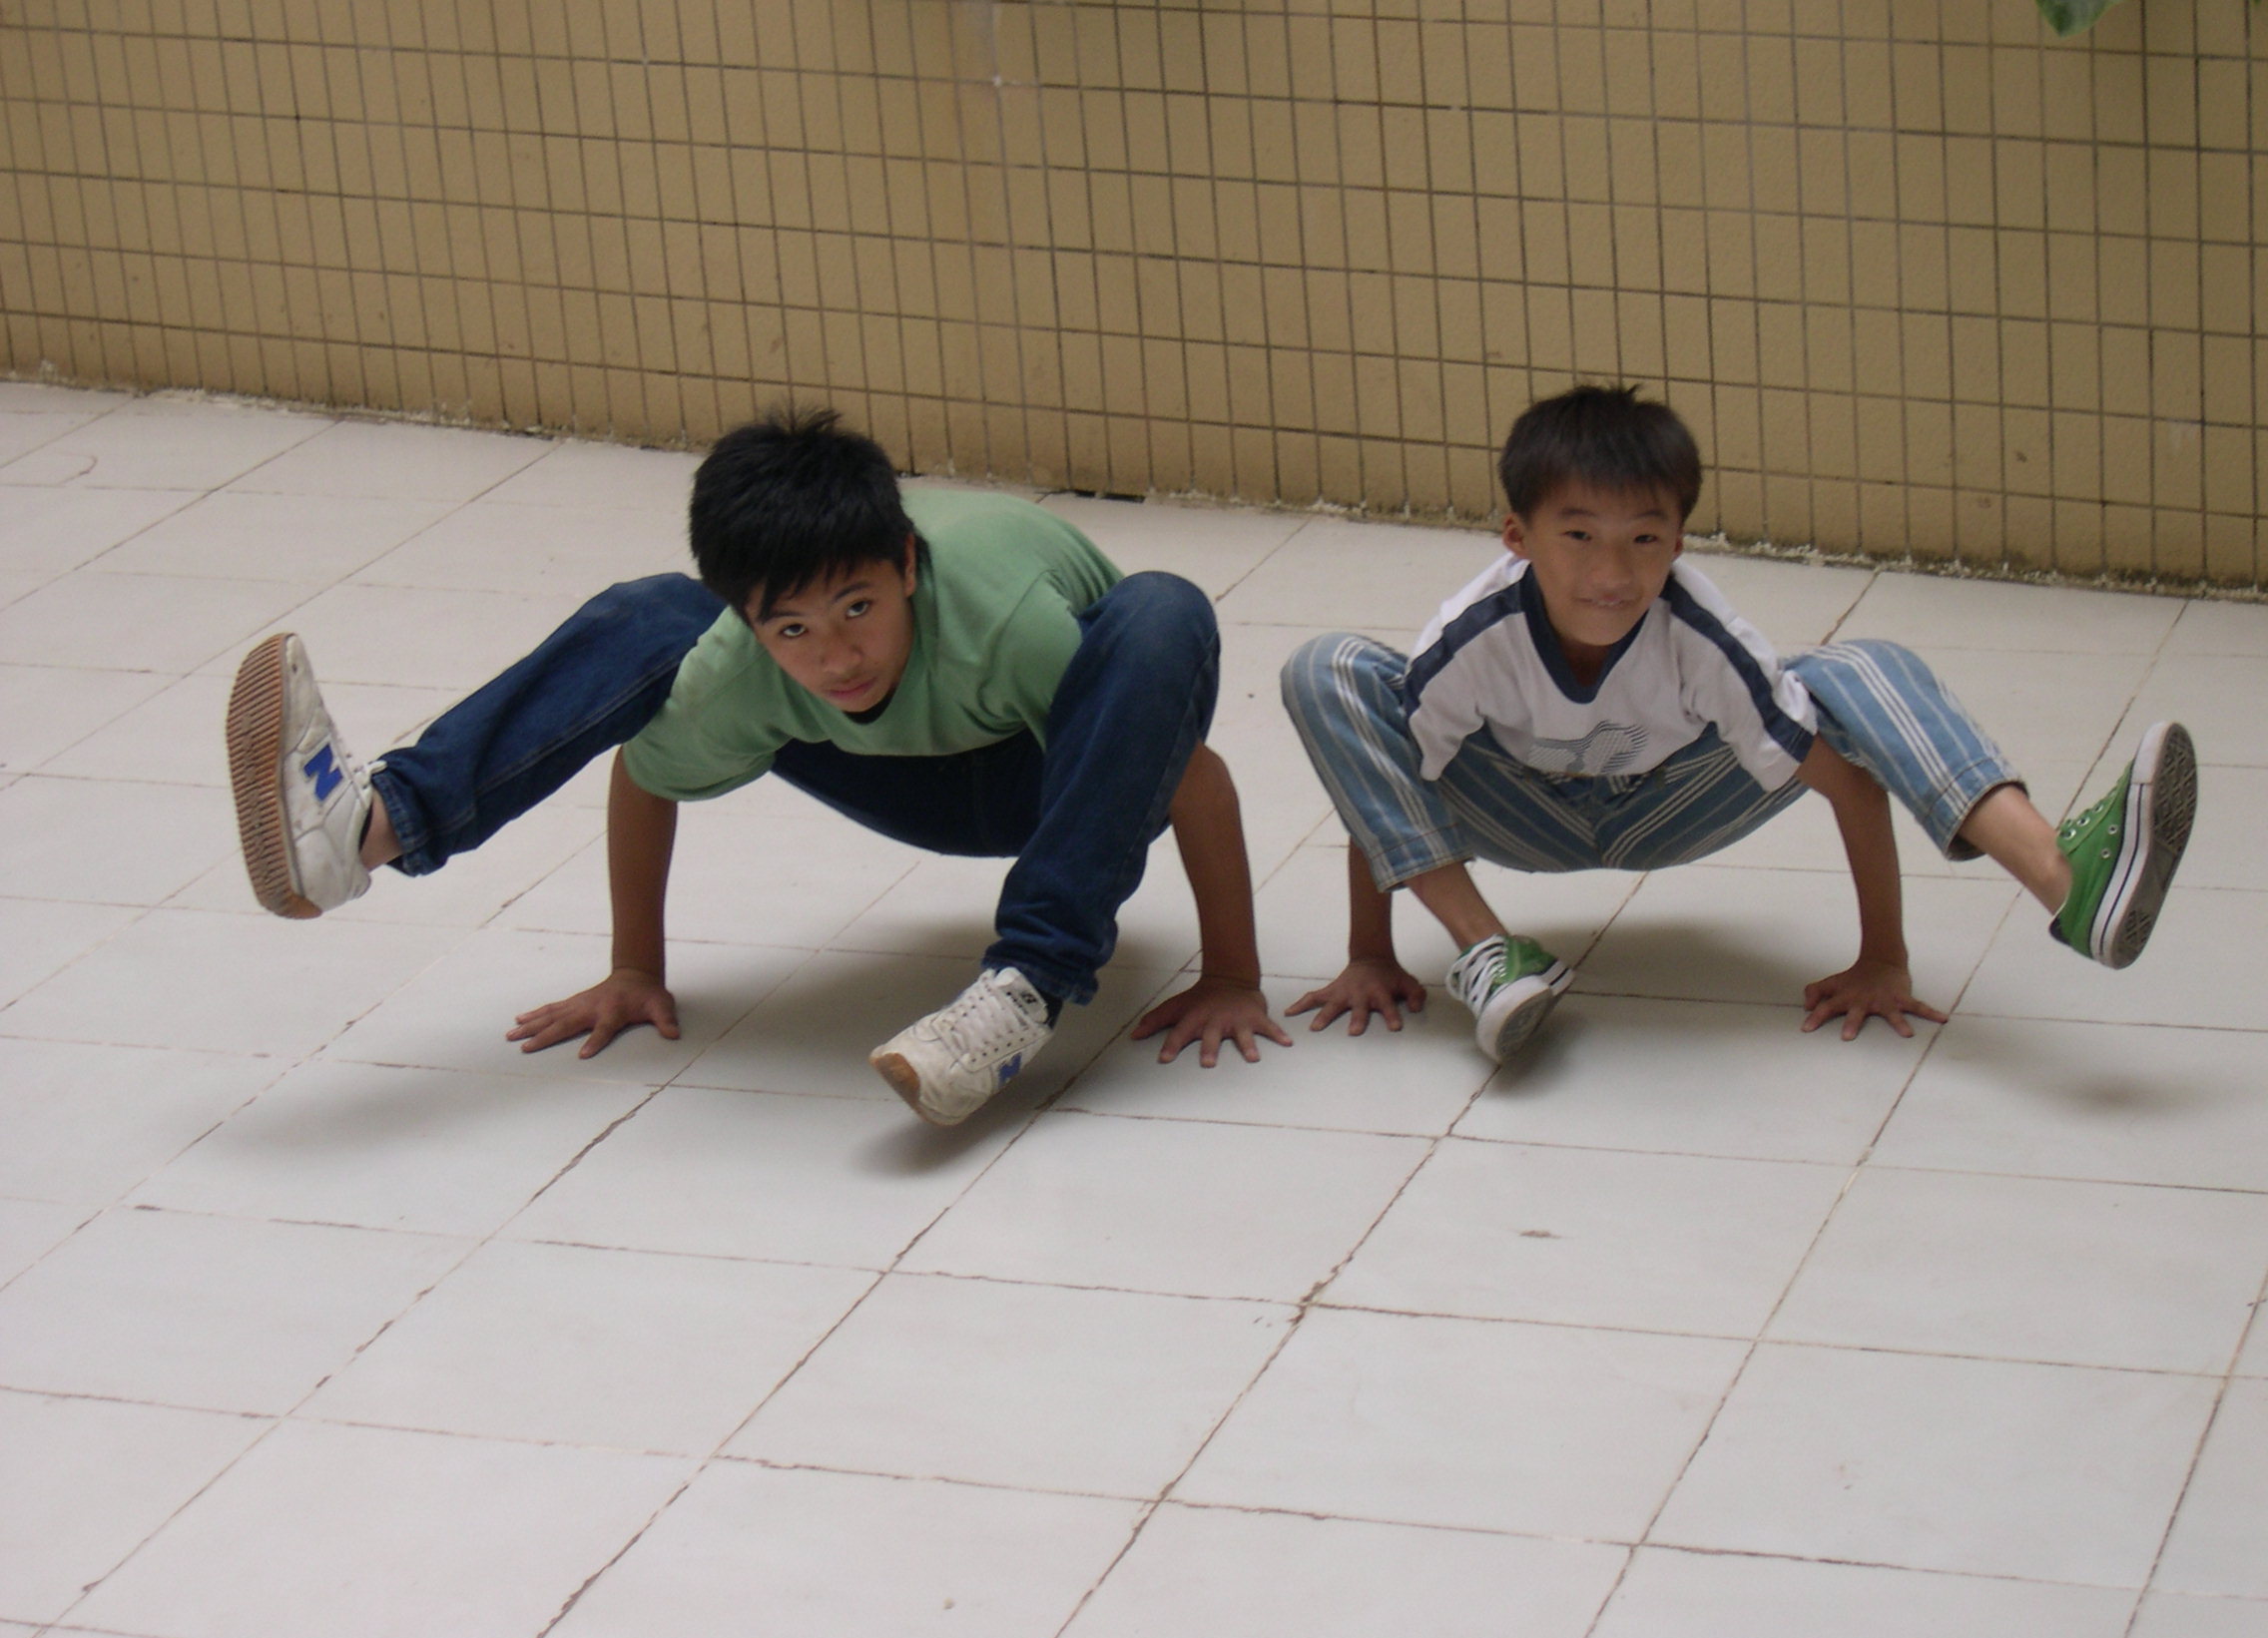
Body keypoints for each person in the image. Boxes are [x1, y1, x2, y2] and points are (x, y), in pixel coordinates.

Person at [225, 407, 1289, 1126]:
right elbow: (646, 770)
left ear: (906, 567)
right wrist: (635, 967)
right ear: (753, 623)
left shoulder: (1010, 622)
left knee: (1161, 610)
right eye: (793, 630)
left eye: (859, 608)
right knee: (652, 618)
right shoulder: (741, 666)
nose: (837, 657)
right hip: (912, 786)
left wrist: (1233, 975)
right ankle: (370, 830)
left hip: (1069, 779)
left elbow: (1189, 776)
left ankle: (1023, 990)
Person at [1279, 384, 2198, 1060]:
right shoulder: (1474, 636)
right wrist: (1370, 952)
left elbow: (1848, 785)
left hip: (1673, 807)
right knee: (1330, 669)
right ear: (1517, 538)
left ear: (1678, 541)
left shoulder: (1701, 635)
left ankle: (2066, 881)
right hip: (1516, 814)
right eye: (1578, 535)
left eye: (1644, 538)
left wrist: (1884, 959)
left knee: (1858, 669)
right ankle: (1492, 954)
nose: (1612, 573)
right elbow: (1385, 785)